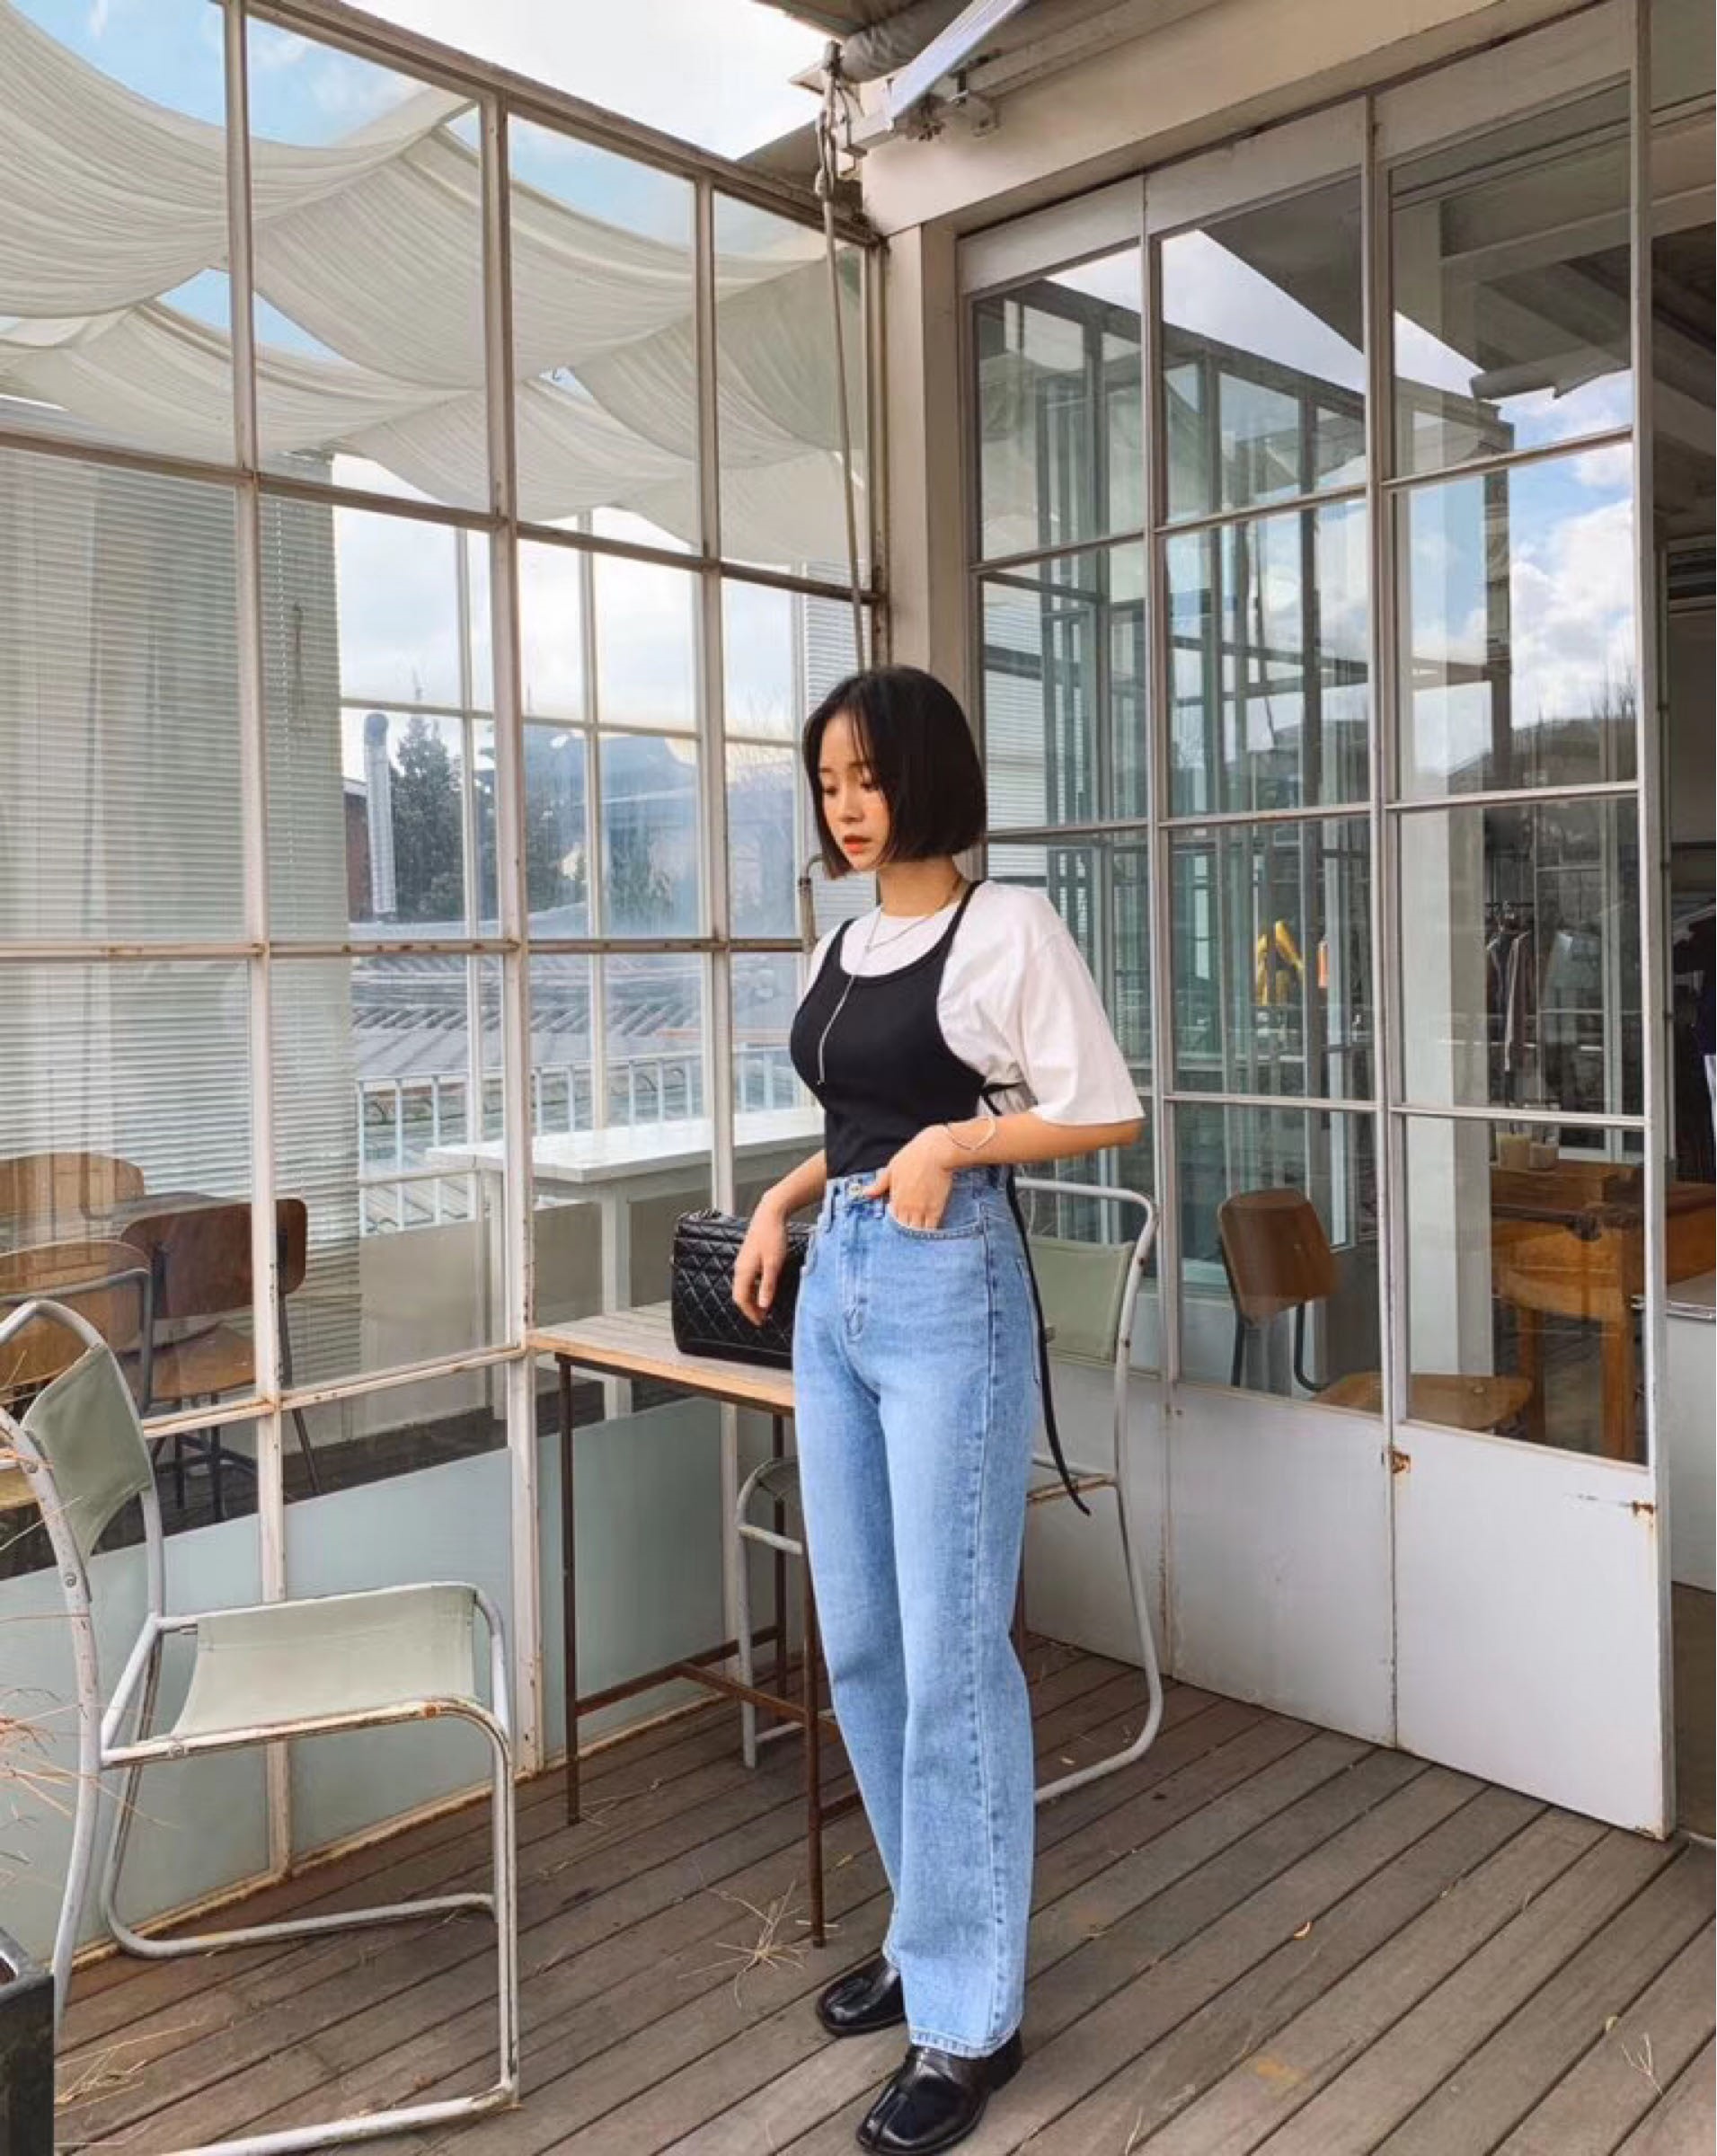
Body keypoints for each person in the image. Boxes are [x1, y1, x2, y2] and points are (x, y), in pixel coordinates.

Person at [731, 667, 1145, 2154]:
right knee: (861, 1640)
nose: (846, 807)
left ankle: (970, 2018)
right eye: (828, 783)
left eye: (869, 777)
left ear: (928, 776)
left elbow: (1102, 1107)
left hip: (946, 1291)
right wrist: (780, 1202)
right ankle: (926, 1936)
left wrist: (960, 1146)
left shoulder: (1006, 926)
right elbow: (857, 1128)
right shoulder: (842, 944)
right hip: (838, 1283)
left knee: (954, 1655)